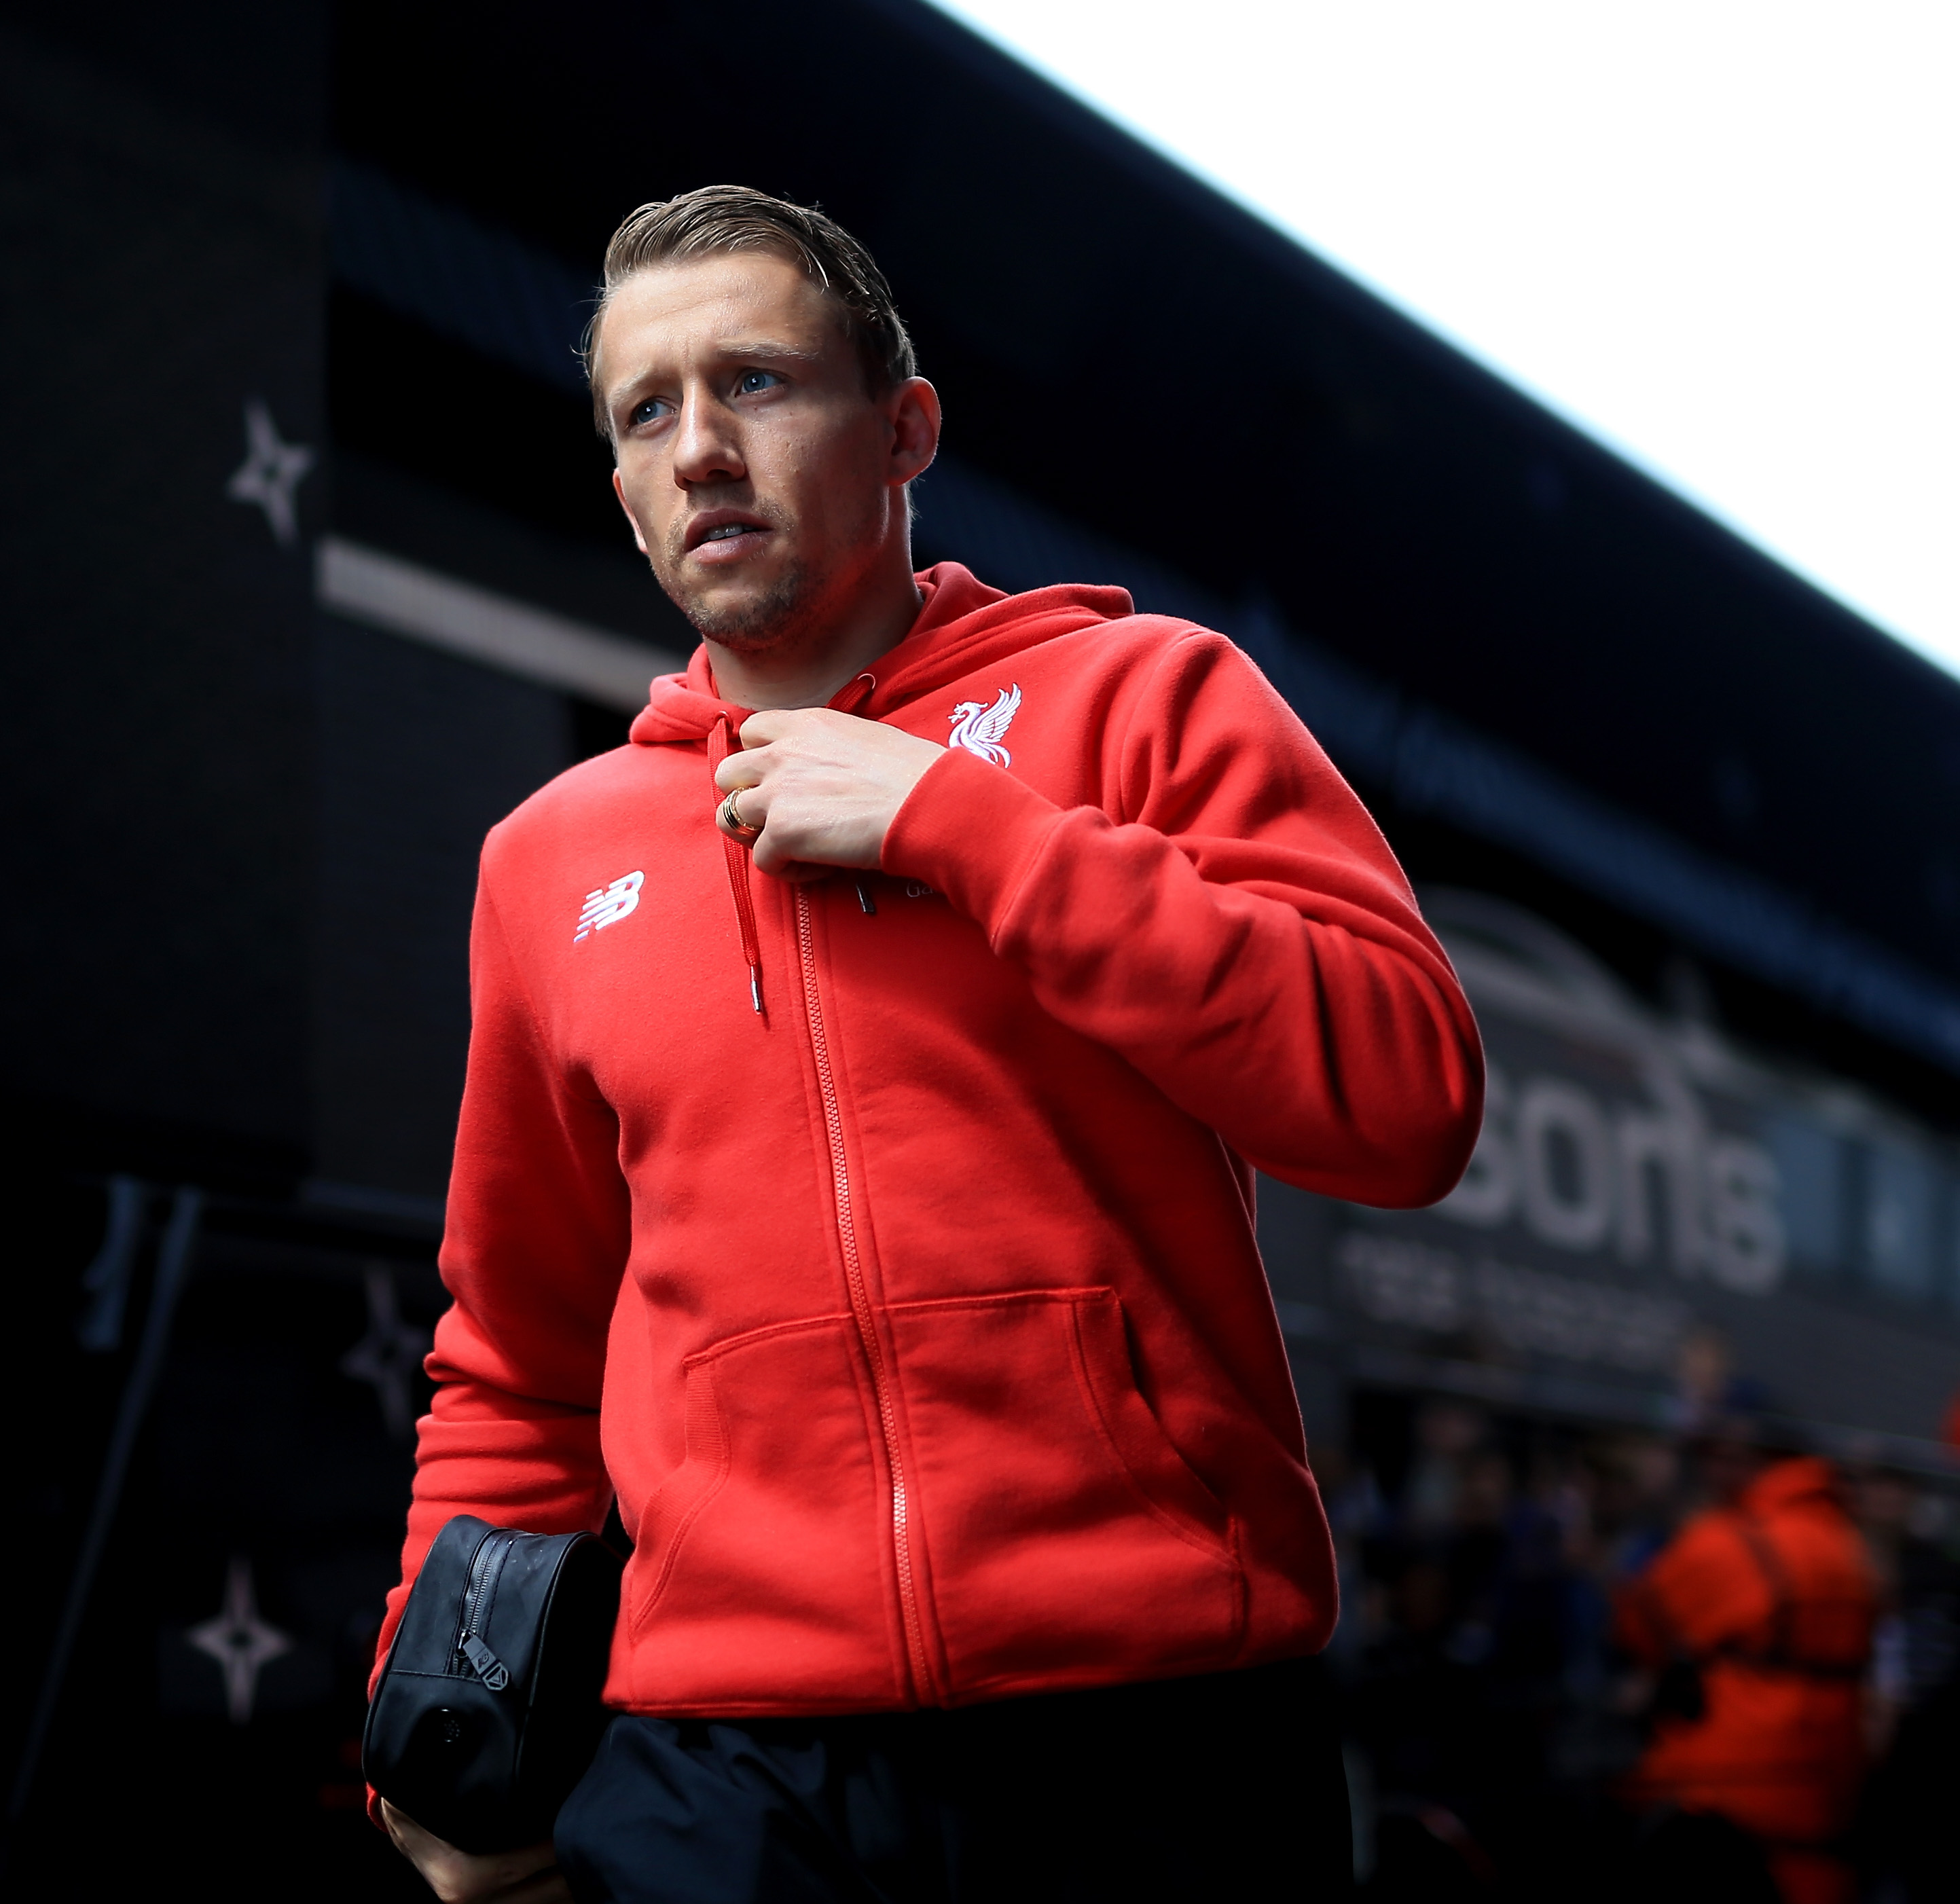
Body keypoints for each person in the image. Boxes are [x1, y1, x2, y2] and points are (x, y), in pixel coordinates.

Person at [374, 186, 1484, 1903]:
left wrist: (973, 829)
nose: (698, 447)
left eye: (753, 380)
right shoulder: (548, 860)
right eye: (646, 411)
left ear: (904, 430)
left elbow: (1404, 1099)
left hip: (1151, 1725)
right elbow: (520, 1358)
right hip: (718, 1765)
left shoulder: (1145, 696)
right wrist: (438, 1711)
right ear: (620, 488)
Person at [1614, 1433, 1879, 1904]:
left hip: (1725, 1788)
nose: (1713, 1471)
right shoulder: (1851, 1548)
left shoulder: (1730, 1539)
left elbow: (1637, 1626)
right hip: (1827, 1791)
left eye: (1727, 1457)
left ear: (1761, 1462)